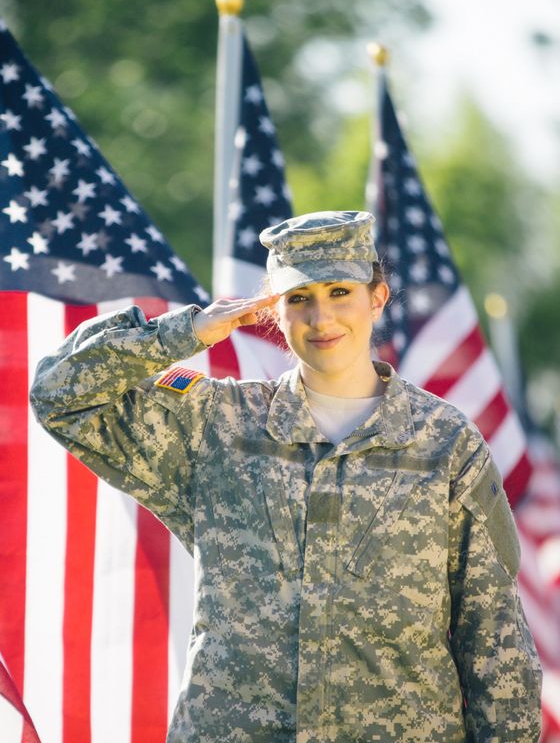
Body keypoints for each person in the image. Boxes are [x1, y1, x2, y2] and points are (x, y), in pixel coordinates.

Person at [30, 210, 542, 742]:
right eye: (298, 298)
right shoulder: (218, 424)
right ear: (274, 310)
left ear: (378, 297)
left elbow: (495, 640)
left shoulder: (442, 441)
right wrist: (190, 330)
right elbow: (60, 394)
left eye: (340, 291)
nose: (321, 318)